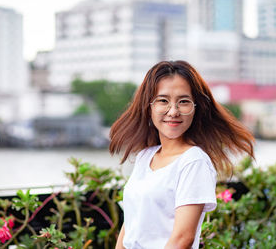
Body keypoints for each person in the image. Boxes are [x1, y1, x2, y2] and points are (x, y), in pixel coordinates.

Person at [109, 60, 255, 249]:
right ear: (149, 107)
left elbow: (182, 238)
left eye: (183, 102)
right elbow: (130, 224)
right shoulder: (145, 157)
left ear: (196, 108)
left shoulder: (194, 161)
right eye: (163, 101)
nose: (173, 111)